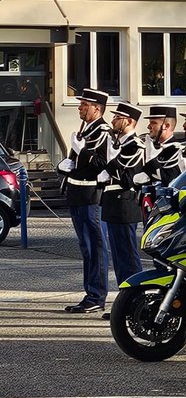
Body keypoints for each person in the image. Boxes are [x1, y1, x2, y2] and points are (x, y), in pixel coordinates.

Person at [59, 87, 112, 313]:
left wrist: (83, 153)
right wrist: (64, 167)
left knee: (95, 247)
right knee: (86, 247)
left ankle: (96, 296)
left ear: (96, 109)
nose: (80, 108)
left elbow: (103, 164)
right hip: (77, 195)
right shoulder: (85, 130)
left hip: (92, 197)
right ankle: (90, 293)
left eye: (84, 105)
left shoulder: (104, 132)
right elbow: (76, 164)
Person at [100, 101, 147, 289]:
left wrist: (111, 164)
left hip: (125, 205)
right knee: (119, 259)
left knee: (128, 256)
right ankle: (124, 297)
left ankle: (135, 298)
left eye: (117, 118)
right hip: (112, 205)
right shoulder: (119, 144)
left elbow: (129, 180)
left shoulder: (135, 146)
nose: (113, 121)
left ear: (128, 121)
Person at [143, 105, 186, 185]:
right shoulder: (151, 147)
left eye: (153, 123)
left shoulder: (176, 151)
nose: (148, 127)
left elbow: (171, 180)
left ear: (166, 126)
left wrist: (152, 161)